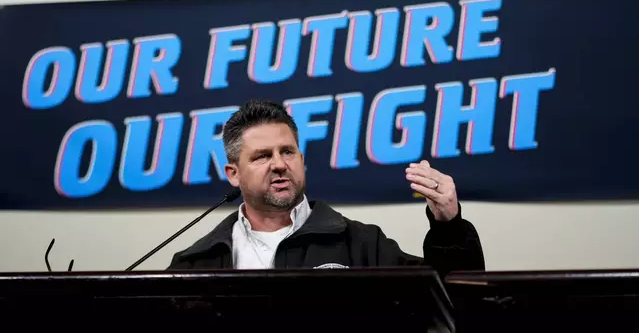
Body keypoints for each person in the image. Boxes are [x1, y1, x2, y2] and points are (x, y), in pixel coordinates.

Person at [167, 99, 484, 276]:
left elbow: (449, 299)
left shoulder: (363, 244)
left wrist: (449, 226)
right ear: (233, 174)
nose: (279, 164)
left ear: (301, 160)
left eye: (287, 152)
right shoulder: (195, 263)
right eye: (263, 156)